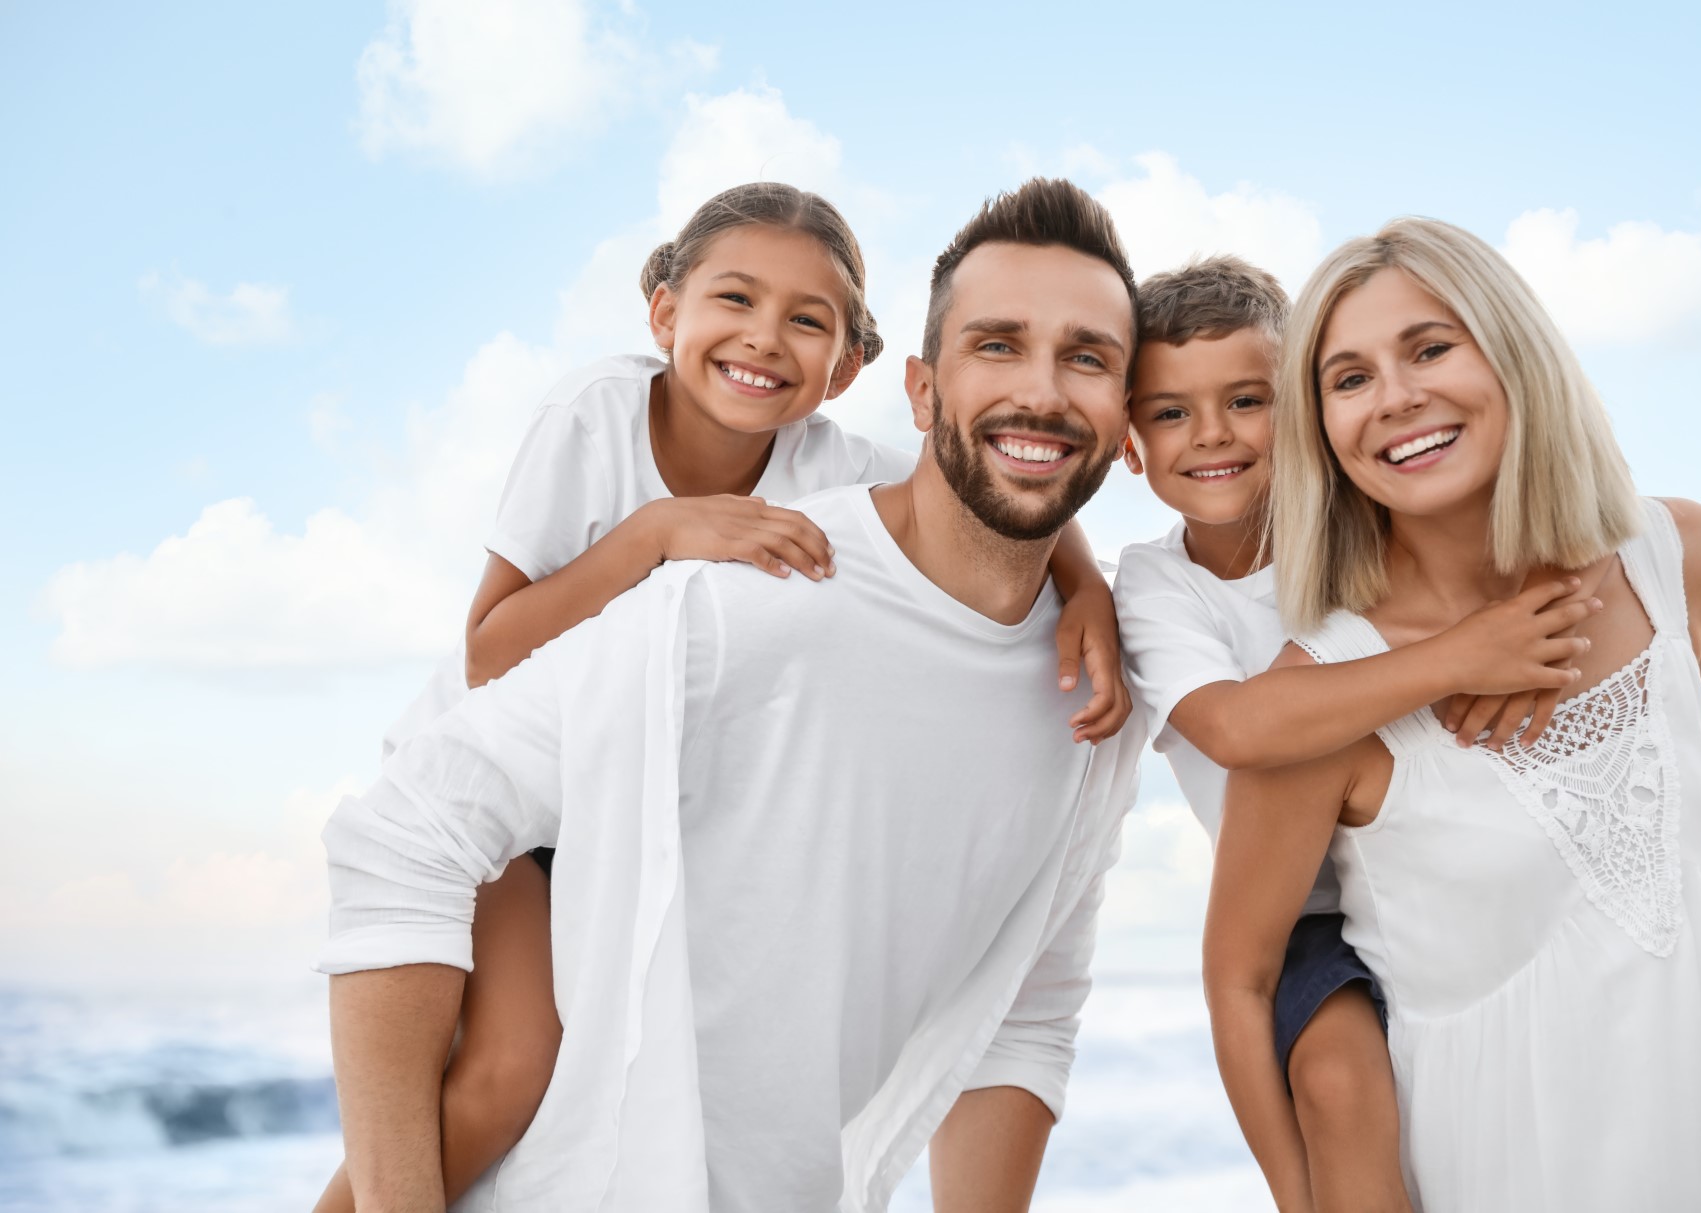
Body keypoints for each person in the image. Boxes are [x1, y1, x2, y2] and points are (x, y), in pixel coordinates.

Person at [317, 177, 1146, 1213]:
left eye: (1087, 359)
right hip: (499, 762)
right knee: (509, 1063)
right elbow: (476, 682)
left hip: (609, 810)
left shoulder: (838, 472)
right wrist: (654, 535)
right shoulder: (615, 446)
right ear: (664, 310)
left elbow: (1011, 470)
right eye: (997, 344)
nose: (763, 339)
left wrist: (1086, 585)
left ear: (847, 367)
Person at [1203, 217, 1701, 1210]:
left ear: (1511, 349)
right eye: (1348, 378)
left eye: (1429, 347)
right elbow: (1243, 980)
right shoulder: (1323, 702)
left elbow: (1670, 821)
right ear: (1320, 430)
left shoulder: (1676, 559)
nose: (1396, 397)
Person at [1113, 255, 1615, 1212]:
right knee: (1338, 1078)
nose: (1212, 433)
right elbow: (1236, 727)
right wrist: (1462, 657)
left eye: (1248, 400)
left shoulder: (1381, 521)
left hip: (1456, 854)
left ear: (1304, 411)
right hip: (1308, 909)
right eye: (1170, 412)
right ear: (1130, 445)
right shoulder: (1158, 583)